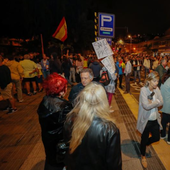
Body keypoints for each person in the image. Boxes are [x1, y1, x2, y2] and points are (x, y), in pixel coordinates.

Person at [64, 82, 122, 170]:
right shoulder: (110, 129)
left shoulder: (70, 119)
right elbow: (114, 164)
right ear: (103, 100)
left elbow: (67, 148)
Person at [37, 73, 72, 170]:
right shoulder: (64, 106)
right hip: (61, 144)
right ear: (60, 90)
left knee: (51, 161)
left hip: (48, 140)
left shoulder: (44, 102)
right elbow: (70, 129)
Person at [137, 71, 163, 168]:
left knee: (156, 137)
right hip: (146, 119)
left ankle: (144, 144)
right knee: (144, 138)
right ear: (149, 80)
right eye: (155, 81)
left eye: (157, 81)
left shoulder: (157, 89)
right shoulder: (143, 90)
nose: (157, 83)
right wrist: (157, 101)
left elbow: (161, 102)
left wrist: (153, 102)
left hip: (155, 118)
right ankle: (143, 155)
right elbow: (146, 106)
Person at [160, 69, 170, 144]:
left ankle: (163, 134)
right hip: (168, 104)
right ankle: (169, 139)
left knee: (164, 120)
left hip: (164, 104)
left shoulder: (165, 79)